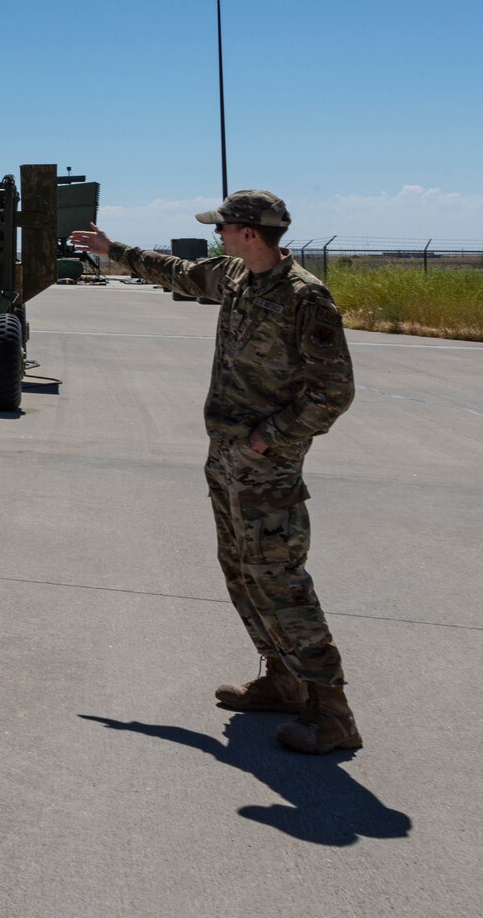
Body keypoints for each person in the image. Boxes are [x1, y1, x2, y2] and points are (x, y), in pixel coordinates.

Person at [70, 190, 360, 753]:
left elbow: (334, 392)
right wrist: (113, 250)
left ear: (249, 232)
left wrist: (268, 439)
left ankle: (333, 712)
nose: (217, 235)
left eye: (223, 227)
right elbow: (178, 272)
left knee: (281, 578)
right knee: (240, 568)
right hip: (226, 457)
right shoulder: (234, 275)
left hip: (267, 466)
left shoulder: (306, 299)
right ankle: (284, 681)